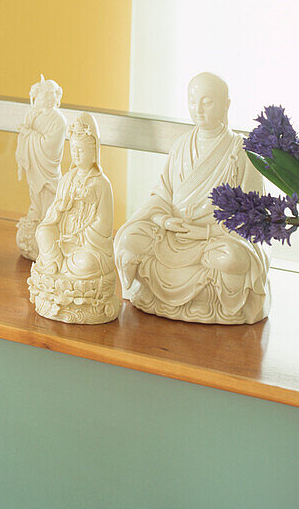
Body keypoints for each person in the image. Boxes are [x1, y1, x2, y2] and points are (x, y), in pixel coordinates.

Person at [114, 72, 270, 324]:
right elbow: (161, 194)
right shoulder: (181, 146)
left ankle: (224, 306)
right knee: (129, 240)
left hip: (215, 239)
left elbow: (252, 217)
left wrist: (206, 234)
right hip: (174, 236)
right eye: (192, 100)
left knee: (232, 259)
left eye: (207, 101)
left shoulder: (241, 152)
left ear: (226, 105)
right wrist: (164, 221)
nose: (198, 109)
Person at [28, 114, 120, 324]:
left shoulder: (101, 184)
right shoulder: (68, 178)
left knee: (85, 263)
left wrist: (85, 213)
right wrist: (62, 206)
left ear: (94, 152)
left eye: (82, 150)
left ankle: (61, 269)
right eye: (74, 150)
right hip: (64, 241)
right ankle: (55, 266)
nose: (77, 155)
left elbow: (104, 226)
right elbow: (54, 213)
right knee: (43, 232)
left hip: (87, 247)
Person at [14, 76, 67, 258]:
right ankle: (34, 225)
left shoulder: (59, 120)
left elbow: (50, 146)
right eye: (45, 94)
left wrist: (30, 135)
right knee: (35, 198)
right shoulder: (34, 114)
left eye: (52, 94)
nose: (49, 98)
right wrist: (26, 133)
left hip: (48, 170)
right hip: (35, 168)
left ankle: (46, 230)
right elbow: (24, 134)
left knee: (49, 199)